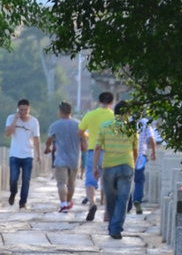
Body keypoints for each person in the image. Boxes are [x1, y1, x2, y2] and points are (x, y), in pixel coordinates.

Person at [91, 102, 142, 239]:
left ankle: (112, 226)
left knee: (111, 198)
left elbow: (97, 148)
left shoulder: (105, 126)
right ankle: (115, 227)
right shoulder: (132, 128)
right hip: (126, 165)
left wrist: (95, 167)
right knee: (123, 199)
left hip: (108, 167)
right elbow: (135, 150)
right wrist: (134, 164)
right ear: (127, 113)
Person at [77, 91, 117, 221]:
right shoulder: (114, 116)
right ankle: (106, 212)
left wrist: (88, 137)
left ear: (99, 101)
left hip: (93, 150)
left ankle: (92, 203)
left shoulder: (90, 115)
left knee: (90, 179)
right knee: (107, 181)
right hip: (109, 151)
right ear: (112, 102)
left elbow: (80, 132)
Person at [43, 101, 83, 212]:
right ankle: (69, 202)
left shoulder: (55, 125)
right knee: (71, 183)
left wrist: (47, 148)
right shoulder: (79, 124)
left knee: (61, 183)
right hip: (75, 159)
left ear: (60, 111)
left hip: (60, 159)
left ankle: (63, 204)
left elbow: (49, 140)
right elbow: (84, 141)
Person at [4, 98, 40, 208]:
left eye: (25, 110)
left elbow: (36, 139)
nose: (23, 112)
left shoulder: (34, 121)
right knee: (13, 178)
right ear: (17, 109)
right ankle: (13, 193)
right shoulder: (11, 118)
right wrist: (15, 119)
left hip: (28, 154)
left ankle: (23, 202)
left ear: (29, 109)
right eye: (21, 110)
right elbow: (8, 133)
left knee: (26, 179)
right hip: (15, 154)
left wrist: (39, 155)